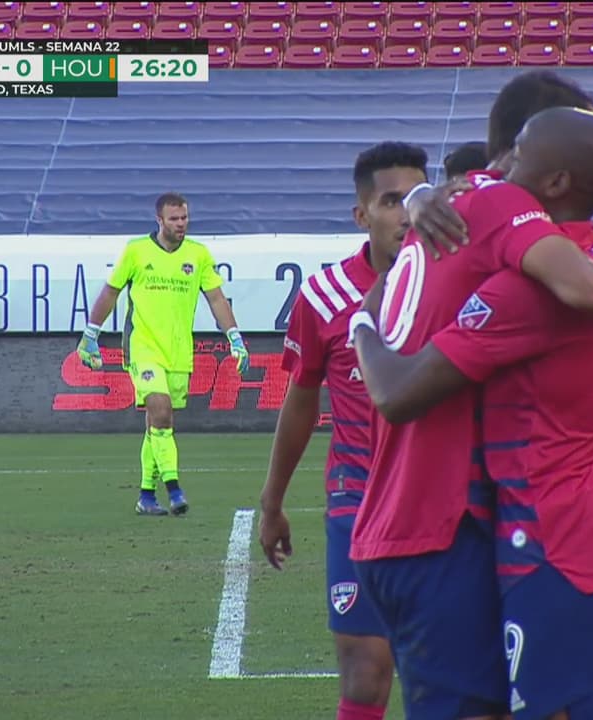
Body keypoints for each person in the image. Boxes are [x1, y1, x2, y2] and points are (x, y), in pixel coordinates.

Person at [345, 107, 593, 720]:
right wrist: (419, 197)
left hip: (549, 542)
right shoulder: (557, 249)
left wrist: (362, 321)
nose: (495, 168)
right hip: (509, 531)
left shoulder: (531, 275)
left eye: (516, 153)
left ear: (553, 181)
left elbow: (397, 392)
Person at [258, 142, 429, 720]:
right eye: (391, 201)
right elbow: (301, 403)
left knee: (447, 675)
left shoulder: (459, 287)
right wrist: (272, 502)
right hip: (358, 501)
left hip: (442, 504)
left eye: (416, 198)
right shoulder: (325, 295)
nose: (406, 213)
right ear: (362, 215)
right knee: (365, 673)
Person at [76, 192, 249, 517]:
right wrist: (90, 334)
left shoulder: (198, 255)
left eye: (184, 217)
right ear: (159, 220)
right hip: (142, 348)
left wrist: (234, 337)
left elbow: (215, 298)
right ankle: (174, 488)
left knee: (157, 425)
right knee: (160, 410)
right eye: (174, 219)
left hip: (178, 353)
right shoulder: (136, 251)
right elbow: (111, 291)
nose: (181, 224)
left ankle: (146, 496)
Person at [404, 70, 593, 259]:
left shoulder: (446, 205)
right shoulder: (505, 213)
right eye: (583, 149)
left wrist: (417, 195)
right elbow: (587, 281)